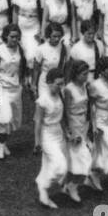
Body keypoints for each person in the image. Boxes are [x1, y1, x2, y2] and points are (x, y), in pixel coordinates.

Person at [0, 23, 28, 160]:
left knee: (13, 120)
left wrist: (22, 82)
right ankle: (0, 145)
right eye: (12, 37)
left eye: (17, 37)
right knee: (4, 118)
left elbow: (23, 68)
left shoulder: (20, 50)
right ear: (6, 36)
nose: (15, 40)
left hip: (16, 88)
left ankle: (4, 142)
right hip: (2, 88)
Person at [33, 67, 68, 208]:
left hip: (59, 134)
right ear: (48, 82)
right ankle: (43, 184)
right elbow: (38, 121)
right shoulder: (42, 100)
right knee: (61, 167)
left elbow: (62, 117)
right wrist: (37, 141)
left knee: (49, 165)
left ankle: (43, 193)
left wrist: (67, 132)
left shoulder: (60, 95)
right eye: (58, 84)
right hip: (46, 135)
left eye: (62, 84)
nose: (60, 87)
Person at [61, 59, 95, 204]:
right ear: (75, 74)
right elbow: (66, 111)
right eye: (83, 74)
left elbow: (89, 107)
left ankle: (67, 185)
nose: (86, 76)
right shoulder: (69, 89)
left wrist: (90, 126)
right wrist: (70, 132)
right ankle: (72, 186)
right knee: (85, 161)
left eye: (87, 74)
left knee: (75, 159)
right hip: (74, 124)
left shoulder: (85, 86)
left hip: (84, 123)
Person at [86, 56, 108, 192]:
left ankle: (93, 175)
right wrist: (94, 125)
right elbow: (91, 106)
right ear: (101, 70)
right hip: (99, 121)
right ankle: (95, 172)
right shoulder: (95, 85)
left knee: (101, 152)